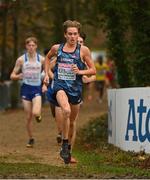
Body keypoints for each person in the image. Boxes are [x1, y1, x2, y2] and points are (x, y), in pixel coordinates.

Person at [44, 20, 96, 164]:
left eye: (75, 34)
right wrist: (47, 74)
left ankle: (68, 152)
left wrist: (80, 71)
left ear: (78, 35)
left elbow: (93, 70)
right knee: (65, 111)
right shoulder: (57, 48)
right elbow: (47, 58)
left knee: (72, 122)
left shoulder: (83, 51)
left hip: (75, 89)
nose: (73, 37)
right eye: (70, 34)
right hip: (60, 87)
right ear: (65, 35)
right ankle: (64, 145)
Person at [10, 36, 45, 148]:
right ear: (26, 46)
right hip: (26, 88)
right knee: (28, 116)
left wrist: (45, 80)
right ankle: (31, 138)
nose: (31, 47)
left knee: (35, 113)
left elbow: (48, 72)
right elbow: (12, 75)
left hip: (37, 88)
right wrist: (18, 76)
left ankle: (38, 115)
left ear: (36, 46)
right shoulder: (21, 60)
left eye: (33, 45)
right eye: (29, 45)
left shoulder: (42, 59)